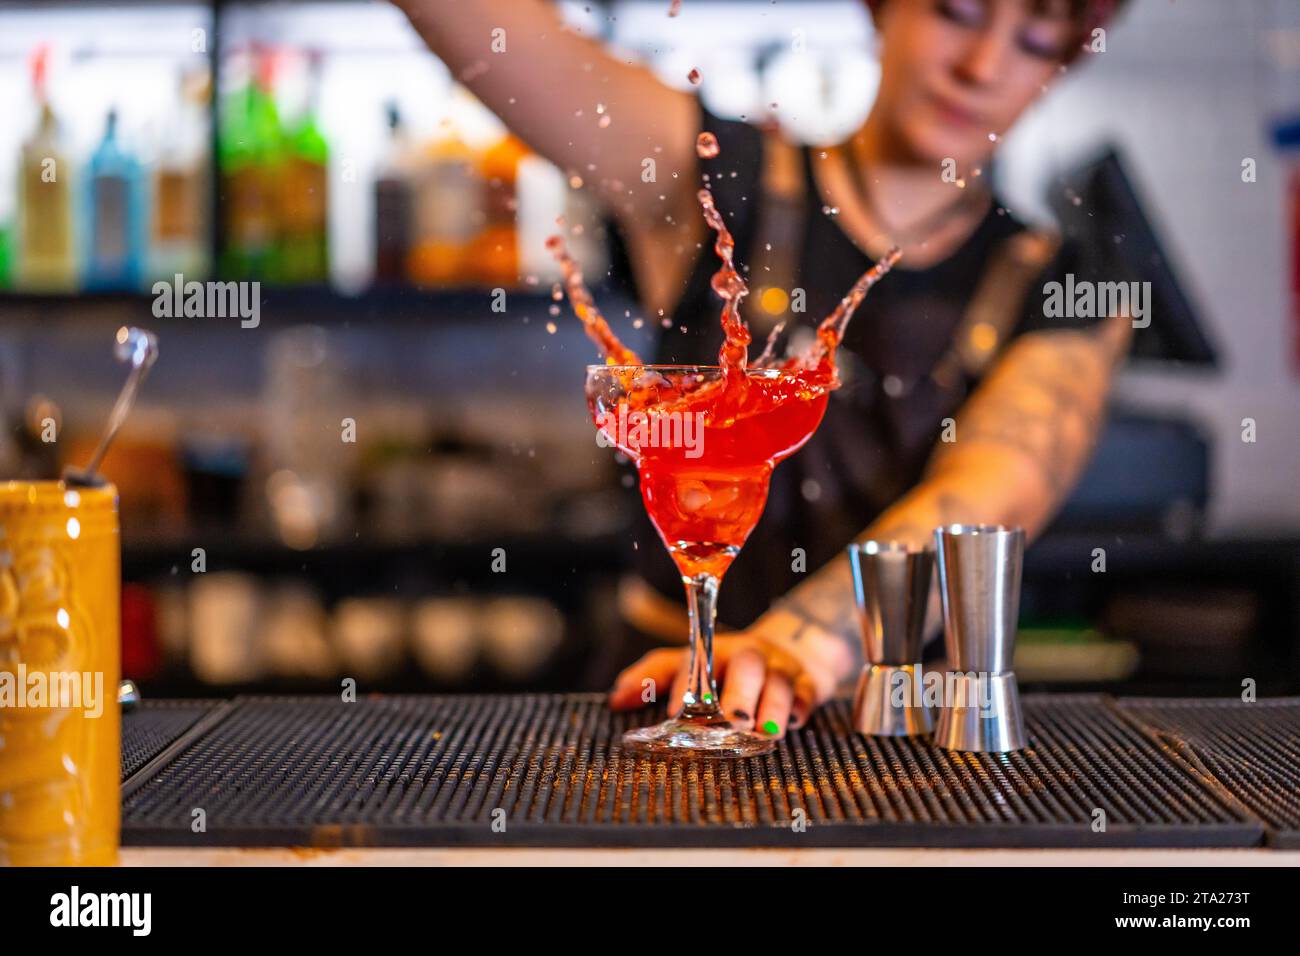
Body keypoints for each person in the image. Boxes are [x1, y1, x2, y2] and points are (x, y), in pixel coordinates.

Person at [395, 0, 1133, 735]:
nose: (981, 68)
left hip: (895, 732)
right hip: (663, 703)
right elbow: (484, 31)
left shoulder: (1063, 281)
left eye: (1035, 42)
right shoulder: (712, 175)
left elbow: (991, 492)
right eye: (957, 14)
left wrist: (801, 645)